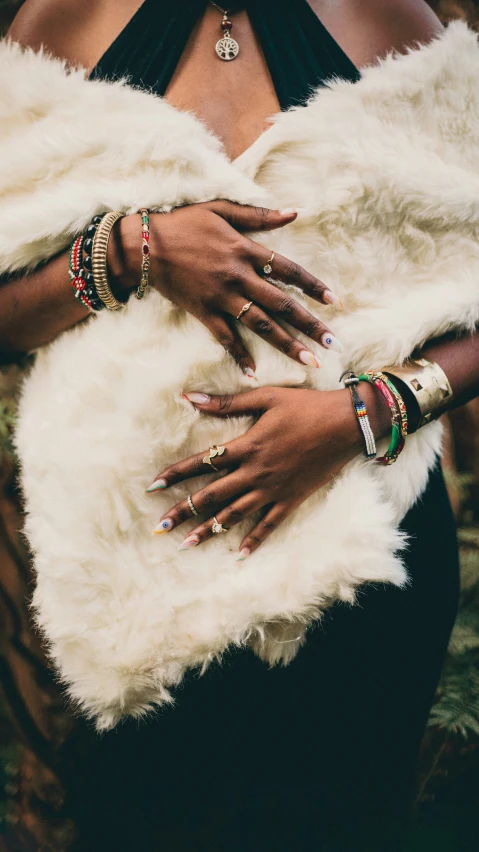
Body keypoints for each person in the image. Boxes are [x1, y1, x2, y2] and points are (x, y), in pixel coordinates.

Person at [3, 1, 479, 849]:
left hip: (361, 553)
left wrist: (356, 417)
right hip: (133, 584)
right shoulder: (65, 21)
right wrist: (132, 251)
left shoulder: (385, 16)